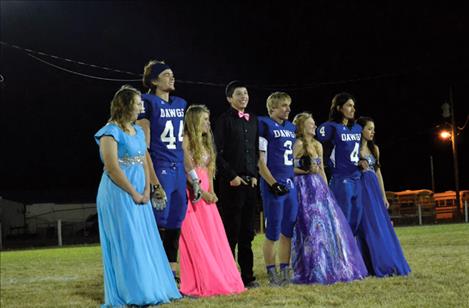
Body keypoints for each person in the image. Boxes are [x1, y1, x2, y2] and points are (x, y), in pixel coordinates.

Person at [95, 85, 181, 306]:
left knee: (144, 241)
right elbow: (112, 168)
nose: (141, 106)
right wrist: (133, 192)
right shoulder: (109, 132)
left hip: (140, 193)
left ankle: (150, 288)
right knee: (128, 242)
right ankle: (131, 293)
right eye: (137, 103)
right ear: (125, 105)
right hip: (118, 194)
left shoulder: (138, 131)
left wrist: (146, 190)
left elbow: (143, 160)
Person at [137, 60, 199, 281]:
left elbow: (182, 143)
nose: (172, 77)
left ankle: (172, 276)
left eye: (172, 74)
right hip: (160, 168)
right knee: (157, 226)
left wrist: (193, 177)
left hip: (178, 173)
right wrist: (153, 182)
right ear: (154, 80)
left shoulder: (180, 103)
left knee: (174, 226)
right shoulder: (147, 102)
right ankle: (153, 276)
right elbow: (143, 147)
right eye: (166, 74)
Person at [290, 112, 367, 284]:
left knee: (324, 227)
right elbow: (290, 168)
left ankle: (325, 265)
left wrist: (326, 190)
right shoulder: (297, 144)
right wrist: (304, 171)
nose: (315, 126)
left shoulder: (318, 144)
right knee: (307, 227)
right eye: (311, 124)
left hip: (317, 187)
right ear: (302, 126)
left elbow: (322, 170)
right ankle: (309, 267)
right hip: (302, 188)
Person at [178, 105, 246, 297]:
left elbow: (210, 170)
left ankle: (219, 274)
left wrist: (212, 192)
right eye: (204, 119)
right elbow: (185, 170)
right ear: (193, 121)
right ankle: (198, 280)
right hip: (192, 195)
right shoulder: (186, 141)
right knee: (196, 240)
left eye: (208, 119)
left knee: (212, 238)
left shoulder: (207, 142)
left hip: (207, 195)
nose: (208, 123)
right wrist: (200, 191)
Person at [213, 81, 259, 288]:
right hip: (231, 184)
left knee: (248, 234)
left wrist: (255, 174)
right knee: (231, 232)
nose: (244, 97)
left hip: (250, 183)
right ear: (229, 98)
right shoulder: (223, 121)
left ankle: (248, 276)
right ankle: (228, 276)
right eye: (239, 94)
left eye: (246, 93)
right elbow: (216, 153)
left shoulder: (253, 120)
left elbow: (255, 152)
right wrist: (231, 175)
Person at [357, 117, 411, 277]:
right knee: (366, 226)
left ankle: (384, 261)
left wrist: (383, 196)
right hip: (361, 190)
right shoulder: (353, 150)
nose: (372, 132)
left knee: (379, 225)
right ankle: (366, 263)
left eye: (373, 129)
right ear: (360, 130)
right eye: (369, 128)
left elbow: (378, 172)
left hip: (373, 190)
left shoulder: (375, 150)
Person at [258, 92, 298, 286]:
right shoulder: (264, 125)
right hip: (274, 183)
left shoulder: (291, 127)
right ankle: (271, 272)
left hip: (290, 183)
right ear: (272, 108)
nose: (288, 109)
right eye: (283, 105)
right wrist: (272, 183)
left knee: (287, 230)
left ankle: (285, 269)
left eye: (288, 105)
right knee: (272, 231)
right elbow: (260, 161)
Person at [316, 92, 366, 236]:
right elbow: (315, 145)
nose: (353, 109)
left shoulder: (357, 128)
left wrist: (364, 160)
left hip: (357, 178)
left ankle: (351, 254)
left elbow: (360, 151)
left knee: (356, 222)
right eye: (349, 106)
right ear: (339, 108)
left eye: (353, 106)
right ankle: (342, 255)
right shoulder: (330, 128)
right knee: (343, 222)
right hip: (341, 179)